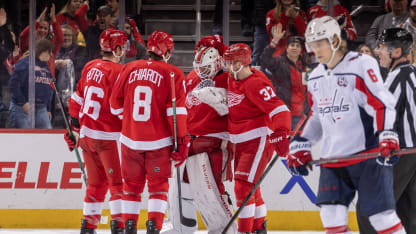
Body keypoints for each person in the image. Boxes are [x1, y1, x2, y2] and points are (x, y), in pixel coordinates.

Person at [287, 16, 405, 233]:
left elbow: (381, 103)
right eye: (312, 45)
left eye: (320, 43)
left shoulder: (361, 64)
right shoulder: (315, 76)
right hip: (334, 158)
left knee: (382, 218)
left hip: (367, 154)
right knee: (330, 218)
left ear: (334, 40)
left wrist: (387, 134)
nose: (315, 50)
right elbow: (316, 117)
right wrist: (302, 143)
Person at [109, 30, 188, 234]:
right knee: (158, 187)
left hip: (129, 140)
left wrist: (128, 121)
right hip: (159, 142)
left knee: (131, 187)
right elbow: (176, 113)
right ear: (167, 51)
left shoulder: (128, 68)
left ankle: (129, 226)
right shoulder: (173, 73)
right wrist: (181, 141)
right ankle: (153, 227)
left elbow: (114, 104)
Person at [165, 35, 237, 233]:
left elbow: (236, 108)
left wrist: (219, 100)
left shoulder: (230, 77)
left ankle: (225, 229)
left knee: (211, 191)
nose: (202, 70)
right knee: (181, 189)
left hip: (214, 140)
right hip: (188, 142)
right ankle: (181, 227)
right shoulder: (193, 77)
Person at [64, 28, 127, 234]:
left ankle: (88, 226)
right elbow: (122, 110)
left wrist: (74, 129)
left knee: (95, 185)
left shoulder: (91, 66)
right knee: (117, 185)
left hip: (87, 137)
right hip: (109, 138)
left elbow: (75, 101)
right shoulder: (120, 72)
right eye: (123, 47)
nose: (125, 51)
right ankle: (118, 226)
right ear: (116, 49)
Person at [223, 43, 291, 233]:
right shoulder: (231, 77)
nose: (228, 67)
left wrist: (281, 132)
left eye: (232, 63)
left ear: (242, 63)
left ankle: (244, 231)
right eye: (227, 63)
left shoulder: (256, 83)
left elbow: (279, 108)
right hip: (240, 140)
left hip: (258, 139)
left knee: (243, 187)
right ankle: (259, 228)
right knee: (253, 188)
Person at [356, 28, 416, 234]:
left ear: (397, 52)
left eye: (381, 47)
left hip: (401, 154)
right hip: (410, 154)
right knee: (407, 211)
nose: (377, 51)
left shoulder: (400, 77)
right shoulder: (409, 74)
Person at [261, 35, 309, 129]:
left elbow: (308, 89)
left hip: (303, 115)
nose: (295, 47)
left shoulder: (306, 67)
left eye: (298, 46)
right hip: (286, 113)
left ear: (301, 50)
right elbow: (265, 60)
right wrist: (274, 42)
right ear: (287, 48)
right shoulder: (279, 62)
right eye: (292, 45)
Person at [8, 39, 54, 129]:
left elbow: (48, 88)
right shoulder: (25, 63)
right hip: (22, 108)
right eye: (49, 52)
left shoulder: (46, 66)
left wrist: (48, 109)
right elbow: (14, 84)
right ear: (42, 50)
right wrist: (23, 102)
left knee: (46, 136)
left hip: (41, 108)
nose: (51, 55)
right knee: (24, 138)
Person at [19, 4, 64, 78]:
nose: (42, 30)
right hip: (31, 85)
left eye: (45, 28)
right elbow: (22, 36)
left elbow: (60, 40)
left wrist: (54, 20)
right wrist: (37, 22)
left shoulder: (50, 47)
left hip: (48, 86)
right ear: (35, 28)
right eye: (40, 27)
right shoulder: (28, 46)